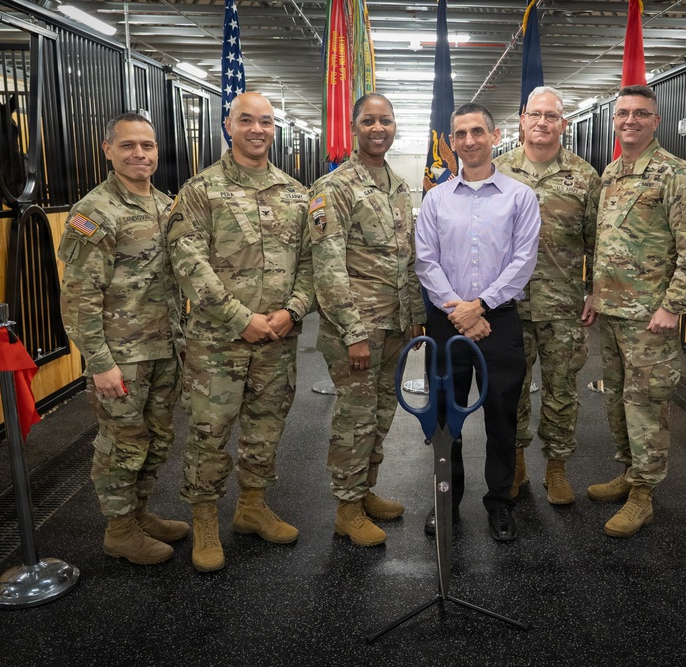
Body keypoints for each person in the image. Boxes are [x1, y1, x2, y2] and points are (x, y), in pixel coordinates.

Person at [167, 92, 314, 572]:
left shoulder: (295, 192)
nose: (256, 129)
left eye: (266, 121)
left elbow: (312, 262)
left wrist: (292, 311)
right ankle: (205, 521)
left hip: (277, 338)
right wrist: (239, 318)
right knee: (210, 434)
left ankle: (251, 507)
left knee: (266, 428)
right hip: (218, 342)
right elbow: (189, 262)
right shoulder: (200, 190)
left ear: (275, 129)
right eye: (246, 120)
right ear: (227, 125)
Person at [582, 85, 686, 538]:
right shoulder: (611, 173)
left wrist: (672, 308)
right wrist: (595, 294)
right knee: (618, 400)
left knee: (647, 406)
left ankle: (644, 496)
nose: (630, 120)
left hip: (650, 318)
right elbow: (607, 245)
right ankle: (628, 473)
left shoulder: (675, 173)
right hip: (615, 313)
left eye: (641, 113)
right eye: (623, 113)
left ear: (656, 121)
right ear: (614, 121)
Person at [58, 112, 186, 565]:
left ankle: (139, 515)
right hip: (122, 357)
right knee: (123, 443)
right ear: (108, 150)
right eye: (128, 145)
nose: (139, 154)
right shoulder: (94, 212)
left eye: (147, 146)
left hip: (164, 349)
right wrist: (100, 363)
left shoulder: (164, 204)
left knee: (157, 439)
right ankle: (119, 531)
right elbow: (79, 297)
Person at [416, 102, 541, 542]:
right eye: (460, 134)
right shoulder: (434, 199)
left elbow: (523, 261)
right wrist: (460, 310)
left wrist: (481, 305)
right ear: (451, 143)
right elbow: (426, 262)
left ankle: (500, 503)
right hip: (449, 321)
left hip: (499, 322)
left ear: (495, 135)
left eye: (477, 132)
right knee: (446, 419)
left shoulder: (520, 197)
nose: (469, 140)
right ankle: (446, 501)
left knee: (501, 419)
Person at [308, 93, 426, 547]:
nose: (379, 128)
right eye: (369, 121)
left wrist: (415, 315)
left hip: (395, 326)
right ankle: (346, 509)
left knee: (381, 414)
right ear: (354, 127)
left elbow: (406, 258)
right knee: (354, 419)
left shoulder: (397, 185)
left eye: (386, 121)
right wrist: (353, 332)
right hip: (357, 330)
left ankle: (365, 492)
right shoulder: (333, 187)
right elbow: (328, 267)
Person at [493, 86, 601, 505]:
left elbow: (599, 242)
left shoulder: (584, 176)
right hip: (507, 305)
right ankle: (517, 461)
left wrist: (595, 292)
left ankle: (556, 468)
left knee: (561, 390)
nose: (542, 122)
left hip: (562, 305)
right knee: (512, 387)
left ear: (564, 124)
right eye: (535, 114)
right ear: (522, 119)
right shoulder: (497, 171)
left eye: (551, 116)